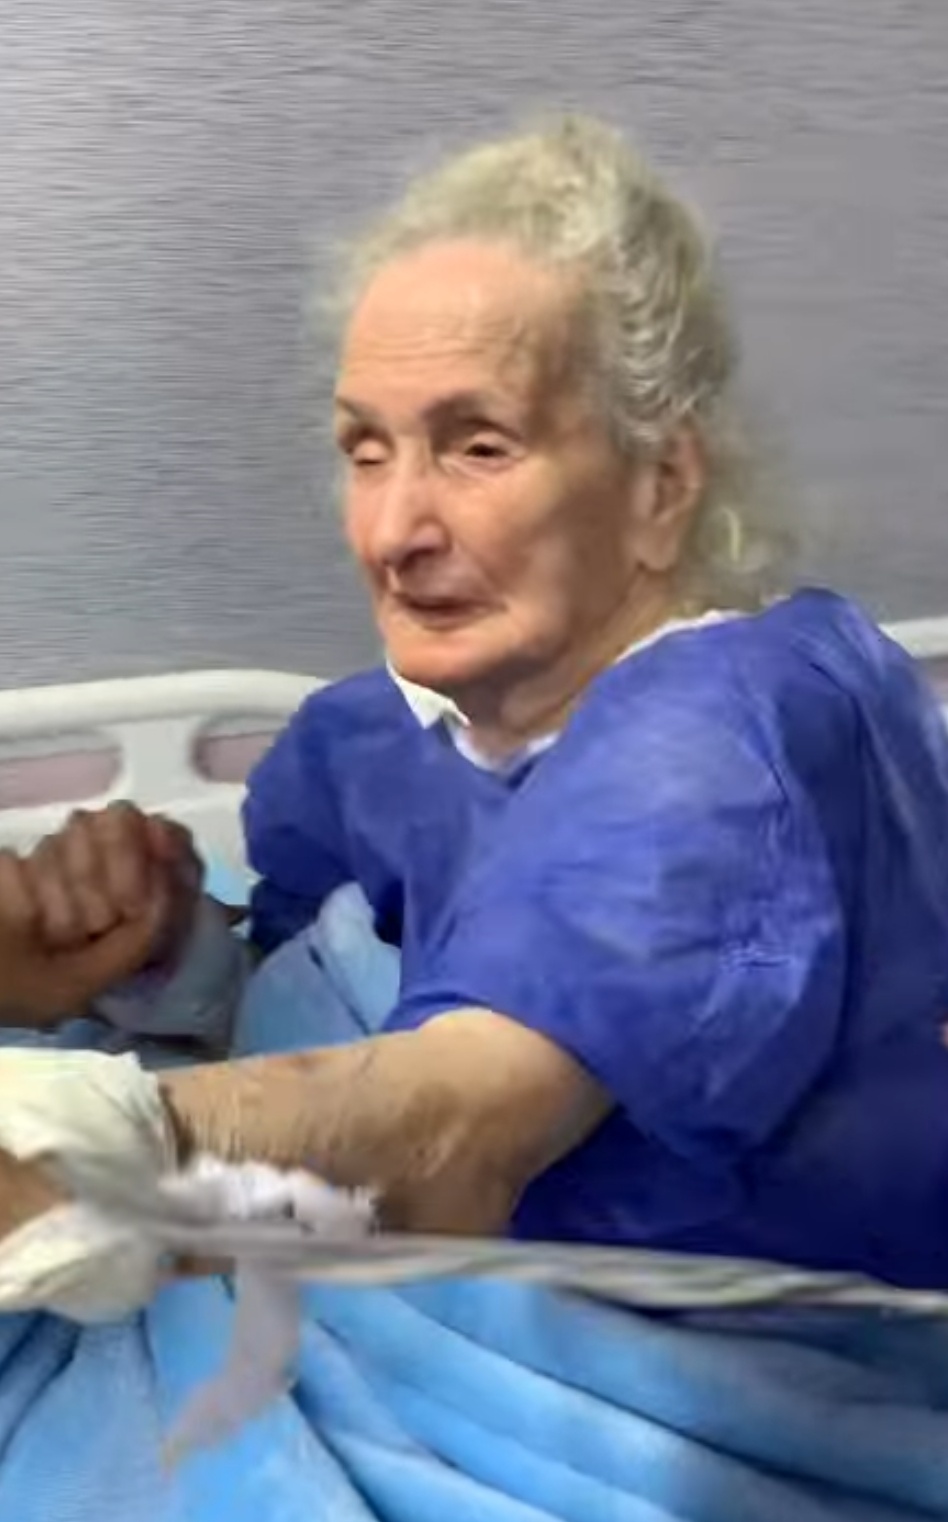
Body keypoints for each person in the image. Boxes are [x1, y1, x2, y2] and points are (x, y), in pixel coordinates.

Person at [4, 114, 948, 1290]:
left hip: (692, 1346)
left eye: (478, 447)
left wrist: (59, 1165)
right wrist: (154, 955)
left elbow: (444, 1136)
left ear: (661, 485)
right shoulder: (373, 739)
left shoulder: (725, 741)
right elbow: (333, 997)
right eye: (367, 451)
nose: (394, 532)